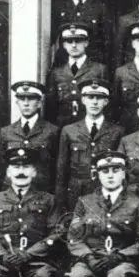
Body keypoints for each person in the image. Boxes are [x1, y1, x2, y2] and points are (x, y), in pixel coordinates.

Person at [0, 148, 63, 277]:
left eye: (26, 167)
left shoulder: (48, 200)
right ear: (8, 173)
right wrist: (2, 256)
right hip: (3, 262)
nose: (21, 172)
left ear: (34, 172)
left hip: (36, 262)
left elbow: (56, 233)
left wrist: (28, 254)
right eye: (16, 168)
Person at [55, 80, 125, 212]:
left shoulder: (117, 131)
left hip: (104, 191)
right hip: (75, 192)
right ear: (83, 100)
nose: (94, 102)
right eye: (90, 97)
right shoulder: (69, 130)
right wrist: (60, 202)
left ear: (106, 102)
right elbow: (61, 170)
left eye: (99, 98)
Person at [0, 81, 59, 192]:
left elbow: (57, 168)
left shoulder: (52, 131)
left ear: (39, 103)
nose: (26, 103)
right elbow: (2, 167)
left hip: (42, 191)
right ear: (17, 102)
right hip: (13, 191)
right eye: (22, 99)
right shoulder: (6, 132)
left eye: (31, 99)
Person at [46, 22, 108, 129]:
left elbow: (107, 105)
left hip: (89, 127)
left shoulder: (99, 69)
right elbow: (51, 107)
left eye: (78, 41)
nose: (74, 45)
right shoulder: (56, 73)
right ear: (64, 45)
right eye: (69, 41)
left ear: (86, 43)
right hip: (63, 127)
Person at [52, 0, 110, 66]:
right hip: (64, 64)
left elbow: (106, 42)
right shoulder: (59, 6)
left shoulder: (99, 7)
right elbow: (51, 38)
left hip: (92, 63)